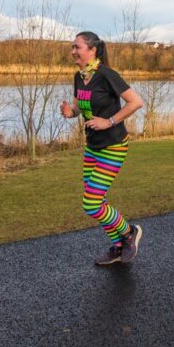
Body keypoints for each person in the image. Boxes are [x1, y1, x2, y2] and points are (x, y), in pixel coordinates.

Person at [60, 31, 145, 265]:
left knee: (91, 202)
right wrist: (71, 112)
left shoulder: (106, 75)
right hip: (93, 147)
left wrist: (108, 121)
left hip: (113, 145)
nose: (73, 52)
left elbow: (136, 102)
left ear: (92, 50)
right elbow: (79, 107)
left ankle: (129, 233)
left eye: (77, 47)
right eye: (72, 47)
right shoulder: (79, 77)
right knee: (99, 202)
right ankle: (118, 246)